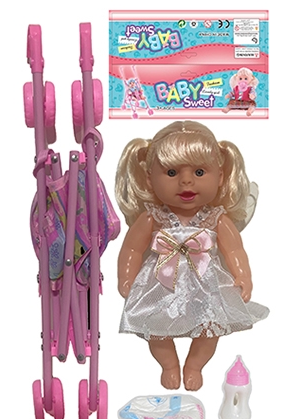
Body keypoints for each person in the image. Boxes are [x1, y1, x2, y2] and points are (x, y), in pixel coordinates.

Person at [115, 121, 269, 391]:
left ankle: (195, 365)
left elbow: (235, 250)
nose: (186, 181)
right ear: (150, 179)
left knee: (211, 327)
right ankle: (169, 365)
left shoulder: (216, 218)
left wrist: (243, 275)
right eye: (171, 172)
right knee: (155, 326)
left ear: (220, 176)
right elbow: (132, 249)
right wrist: (126, 276)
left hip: (206, 284)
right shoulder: (153, 217)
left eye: (199, 172)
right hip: (160, 283)